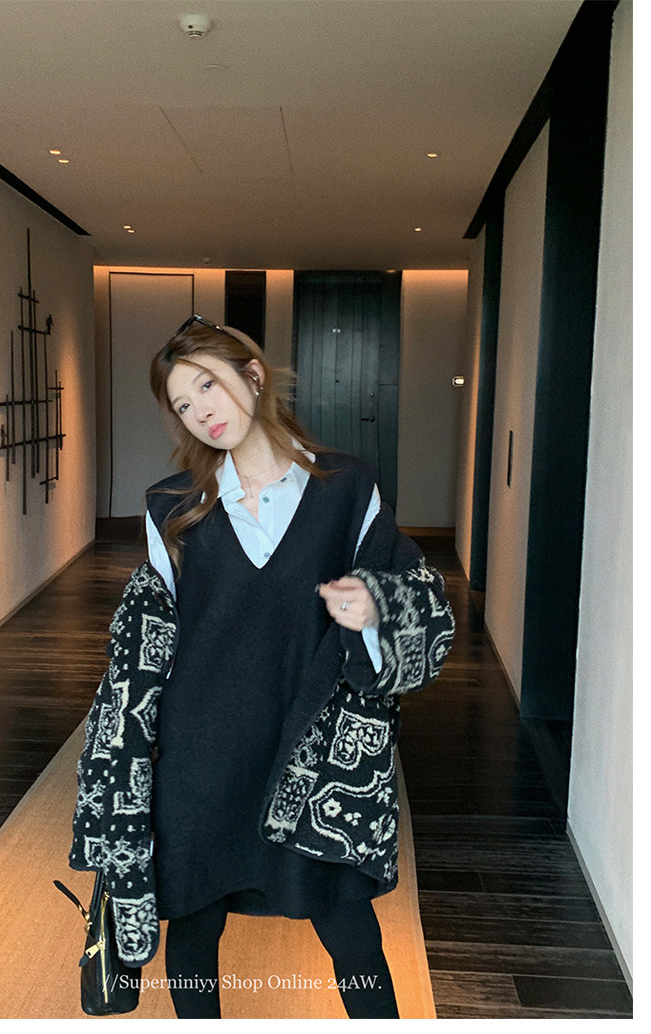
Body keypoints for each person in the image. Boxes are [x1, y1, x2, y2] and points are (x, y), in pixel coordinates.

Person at [135, 314, 454, 1019]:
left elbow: (417, 601)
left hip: (310, 754)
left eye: (208, 385)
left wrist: (373, 608)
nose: (200, 412)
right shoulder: (171, 508)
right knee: (194, 923)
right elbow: (150, 646)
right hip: (200, 754)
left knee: (348, 928)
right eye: (183, 404)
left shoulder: (348, 490)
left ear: (253, 375)